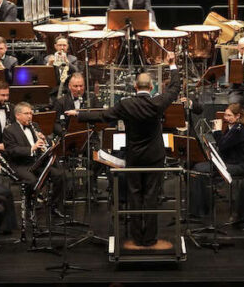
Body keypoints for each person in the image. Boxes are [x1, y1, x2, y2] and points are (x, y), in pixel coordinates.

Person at [66, 52, 180, 250]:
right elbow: (175, 88)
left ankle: (137, 238)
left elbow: (103, 115)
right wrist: (172, 65)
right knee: (151, 196)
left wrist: (79, 114)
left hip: (135, 156)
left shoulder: (126, 104)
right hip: (154, 157)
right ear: (151, 88)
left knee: (135, 196)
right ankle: (150, 239)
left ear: (135, 87)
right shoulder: (158, 102)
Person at [2, 102, 65, 217]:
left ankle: (53, 205)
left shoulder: (34, 125)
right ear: (17, 115)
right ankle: (30, 206)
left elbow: (46, 142)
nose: (30, 116)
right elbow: (12, 151)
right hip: (20, 164)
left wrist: (45, 141)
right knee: (31, 181)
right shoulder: (9, 130)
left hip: (36, 161)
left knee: (59, 174)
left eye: (31, 113)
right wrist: (32, 148)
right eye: (26, 113)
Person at [189, 103, 244, 218]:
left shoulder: (238, 130)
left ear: (238, 116)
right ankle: (200, 207)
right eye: (225, 115)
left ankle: (202, 210)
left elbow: (222, 145)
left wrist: (217, 131)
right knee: (196, 167)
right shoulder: (231, 127)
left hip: (236, 164)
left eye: (229, 115)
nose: (226, 118)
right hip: (226, 162)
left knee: (199, 169)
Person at [52, 73, 102, 137]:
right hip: (68, 137)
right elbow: (55, 123)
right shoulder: (61, 102)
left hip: (90, 137)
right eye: (75, 86)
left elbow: (99, 115)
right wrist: (65, 134)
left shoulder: (92, 98)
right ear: (69, 86)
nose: (79, 89)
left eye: (81, 86)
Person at [225, 37, 244, 105]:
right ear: (238, 47)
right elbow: (228, 80)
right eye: (242, 48)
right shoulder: (231, 59)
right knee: (234, 103)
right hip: (237, 90)